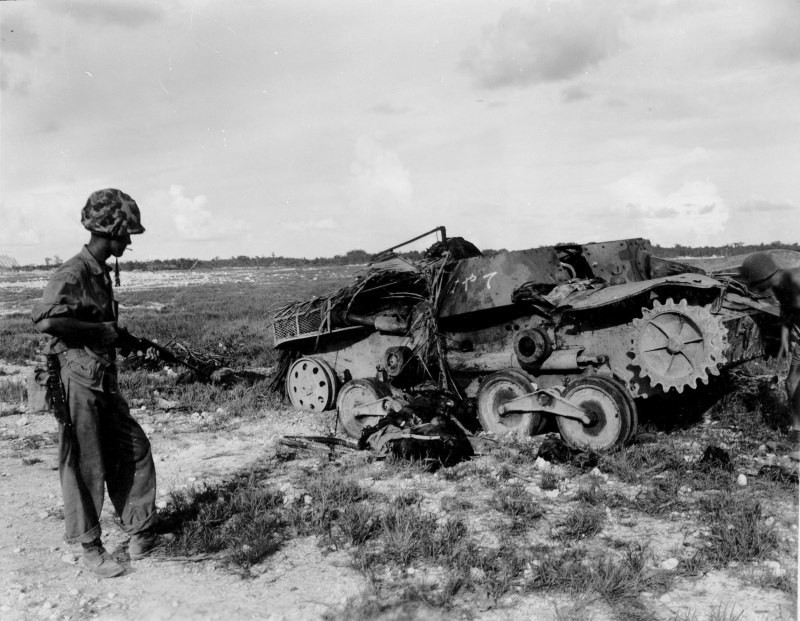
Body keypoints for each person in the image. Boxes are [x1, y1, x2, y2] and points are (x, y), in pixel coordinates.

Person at [32, 189, 161, 577]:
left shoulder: (99, 272)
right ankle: (91, 547)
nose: (129, 242)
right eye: (127, 235)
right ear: (111, 232)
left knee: (134, 449)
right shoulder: (73, 272)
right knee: (86, 464)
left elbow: (99, 327)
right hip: (76, 379)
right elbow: (46, 321)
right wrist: (99, 331)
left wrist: (124, 340)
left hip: (101, 378)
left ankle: (139, 530)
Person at [740, 251, 800, 461]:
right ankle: (797, 431)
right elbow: (786, 310)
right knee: (791, 383)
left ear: (761, 277)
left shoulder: (796, 279)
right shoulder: (778, 285)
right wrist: (785, 337)